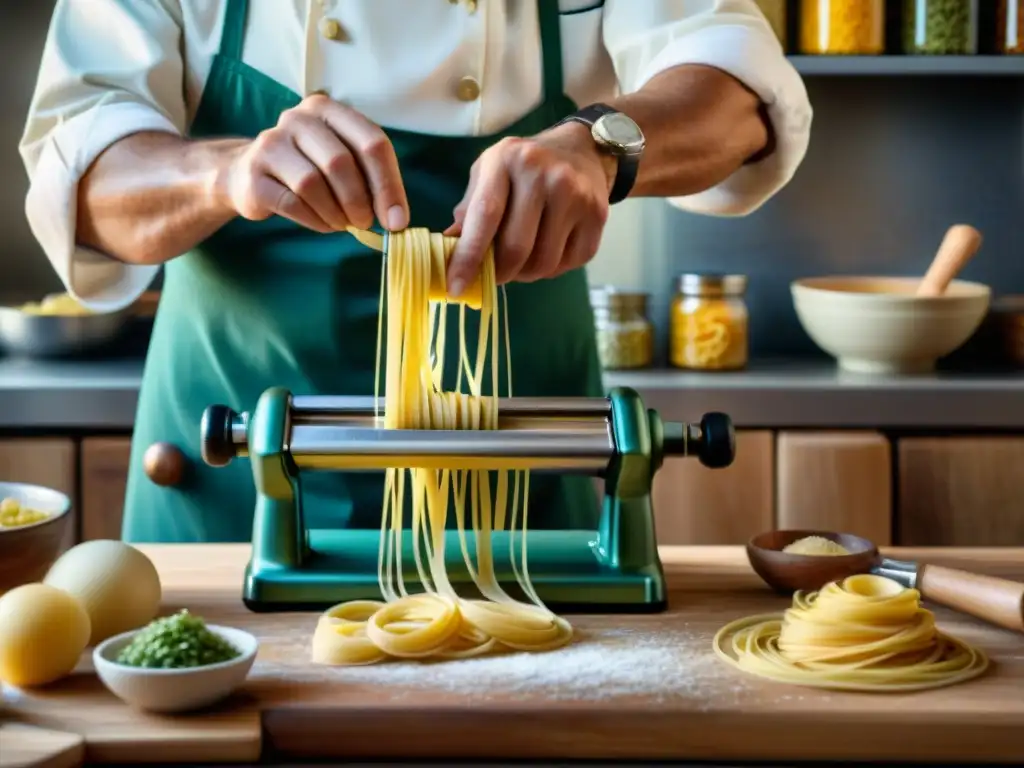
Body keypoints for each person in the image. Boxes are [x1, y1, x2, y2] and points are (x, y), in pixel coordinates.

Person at [20, 0, 811, 543]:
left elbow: (740, 91)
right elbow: (82, 178)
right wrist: (226, 172)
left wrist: (603, 145)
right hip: (227, 479)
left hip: (519, 481)